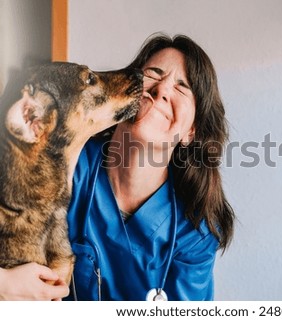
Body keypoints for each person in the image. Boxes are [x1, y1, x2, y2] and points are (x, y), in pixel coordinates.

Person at [0, 33, 235, 301]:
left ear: (191, 131)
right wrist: (4, 283)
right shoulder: (62, 167)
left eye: (182, 87)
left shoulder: (194, 231)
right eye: (154, 74)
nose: (163, 90)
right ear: (127, 90)